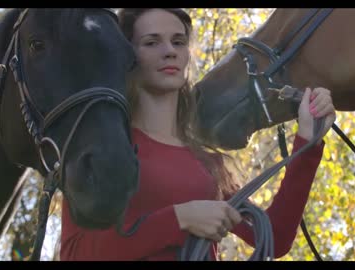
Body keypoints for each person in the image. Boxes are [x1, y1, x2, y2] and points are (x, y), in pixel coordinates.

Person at [60, 8, 337, 261]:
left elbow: (273, 238)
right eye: (151, 42)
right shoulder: (99, 150)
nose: (169, 51)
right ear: (127, 55)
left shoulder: (207, 165)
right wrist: (180, 219)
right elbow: (76, 254)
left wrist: (308, 139)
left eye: (178, 42)